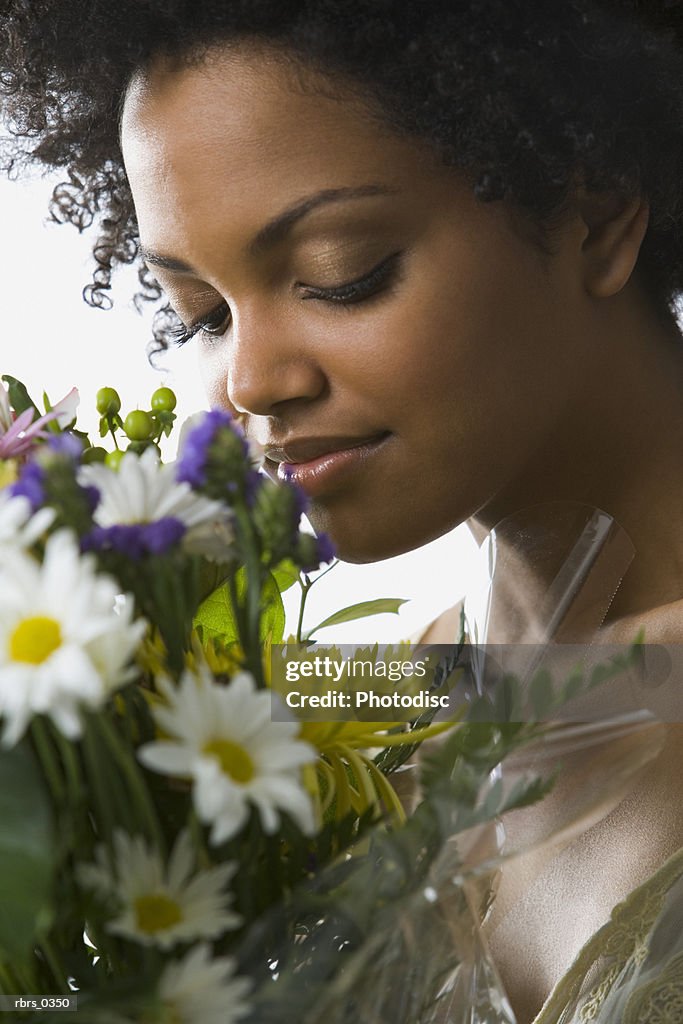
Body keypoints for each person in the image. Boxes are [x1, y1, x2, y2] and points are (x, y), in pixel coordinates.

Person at [3, 2, 683, 1020]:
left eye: (339, 274)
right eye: (202, 312)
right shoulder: (373, 695)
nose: (251, 380)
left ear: (593, 212)